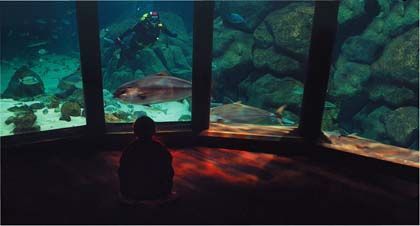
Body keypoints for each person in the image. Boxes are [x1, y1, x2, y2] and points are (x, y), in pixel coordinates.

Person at [118, 116, 174, 204]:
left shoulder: (129, 149)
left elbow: (122, 172)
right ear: (154, 131)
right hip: (159, 192)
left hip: (133, 192)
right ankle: (161, 197)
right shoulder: (160, 148)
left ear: (134, 131)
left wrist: (125, 191)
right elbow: (169, 170)